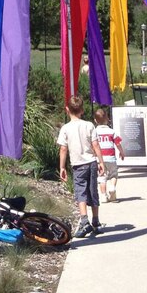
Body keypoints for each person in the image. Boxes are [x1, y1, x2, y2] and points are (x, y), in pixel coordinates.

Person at [57, 94, 105, 238]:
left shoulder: (65, 128)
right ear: (82, 110)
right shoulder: (89, 125)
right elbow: (95, 145)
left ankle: (84, 221)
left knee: (80, 192)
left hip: (78, 165)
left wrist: (62, 167)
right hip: (91, 163)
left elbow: (63, 149)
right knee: (93, 191)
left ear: (67, 109)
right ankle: (96, 221)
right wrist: (101, 162)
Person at [93, 107, 124, 202]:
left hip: (100, 159)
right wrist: (121, 152)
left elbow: (93, 145)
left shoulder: (95, 132)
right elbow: (118, 143)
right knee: (114, 174)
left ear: (95, 120)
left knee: (102, 177)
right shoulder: (112, 131)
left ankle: (103, 196)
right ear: (107, 119)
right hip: (111, 158)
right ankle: (112, 188)